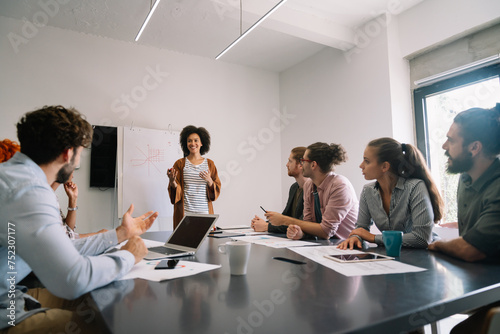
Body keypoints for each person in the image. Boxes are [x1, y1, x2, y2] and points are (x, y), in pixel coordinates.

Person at [0, 105, 158, 332]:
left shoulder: (16, 177)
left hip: (14, 296)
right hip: (8, 315)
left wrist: (121, 234)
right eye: (80, 153)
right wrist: (128, 256)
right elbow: (72, 279)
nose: (77, 162)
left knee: (105, 301)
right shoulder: (28, 191)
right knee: (107, 322)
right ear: (68, 153)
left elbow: (63, 248)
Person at [428, 104, 500, 334]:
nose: (444, 146)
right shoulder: (466, 179)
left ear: (474, 147)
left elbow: (472, 249)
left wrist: (438, 245)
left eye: (451, 140)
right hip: (480, 283)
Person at [337, 138, 444, 250]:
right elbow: (361, 228)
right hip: (393, 256)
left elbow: (421, 238)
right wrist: (356, 237)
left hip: (425, 255)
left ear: (385, 166)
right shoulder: (367, 191)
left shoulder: (415, 187)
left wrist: (374, 238)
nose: (361, 165)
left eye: (367, 161)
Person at [265, 142, 358, 240]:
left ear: (313, 164)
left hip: (348, 248)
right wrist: (301, 233)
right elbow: (308, 224)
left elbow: (326, 231)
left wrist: (284, 220)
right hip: (326, 246)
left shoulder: (340, 186)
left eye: (303, 160)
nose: (301, 164)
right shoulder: (309, 185)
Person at [167, 125, 221, 229]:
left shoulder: (210, 164)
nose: (192, 144)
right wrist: (172, 181)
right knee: (185, 243)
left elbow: (216, 190)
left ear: (201, 143)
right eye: (189, 141)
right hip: (186, 214)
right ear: (185, 143)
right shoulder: (180, 164)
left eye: (196, 140)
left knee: (207, 244)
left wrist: (209, 181)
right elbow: (176, 192)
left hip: (205, 214)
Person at [251, 146, 307, 233]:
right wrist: (262, 223)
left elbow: (301, 224)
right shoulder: (294, 187)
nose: (287, 164)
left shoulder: (313, 190)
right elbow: (285, 218)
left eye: (290, 161)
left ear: (300, 165)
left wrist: (266, 226)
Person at [51, 172, 108, 239]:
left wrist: (73, 199)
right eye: (72, 168)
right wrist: (98, 235)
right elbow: (65, 238)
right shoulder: (43, 197)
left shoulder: (52, 195)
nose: (73, 175)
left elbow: (69, 230)